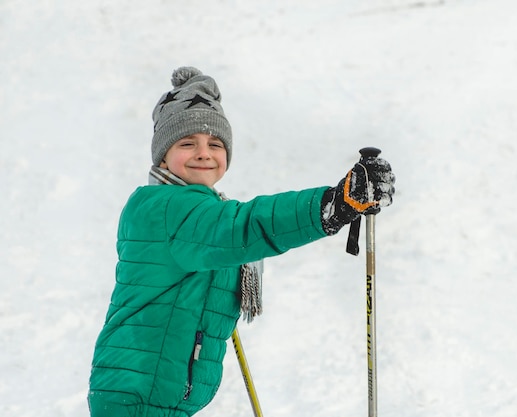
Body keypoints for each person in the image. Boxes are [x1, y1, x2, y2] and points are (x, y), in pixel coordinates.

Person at [88, 66, 395, 417]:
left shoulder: (196, 208)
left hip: (149, 394)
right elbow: (240, 227)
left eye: (215, 144)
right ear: (162, 157)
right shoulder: (166, 208)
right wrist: (331, 205)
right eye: (187, 143)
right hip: (140, 396)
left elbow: (225, 236)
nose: (204, 153)